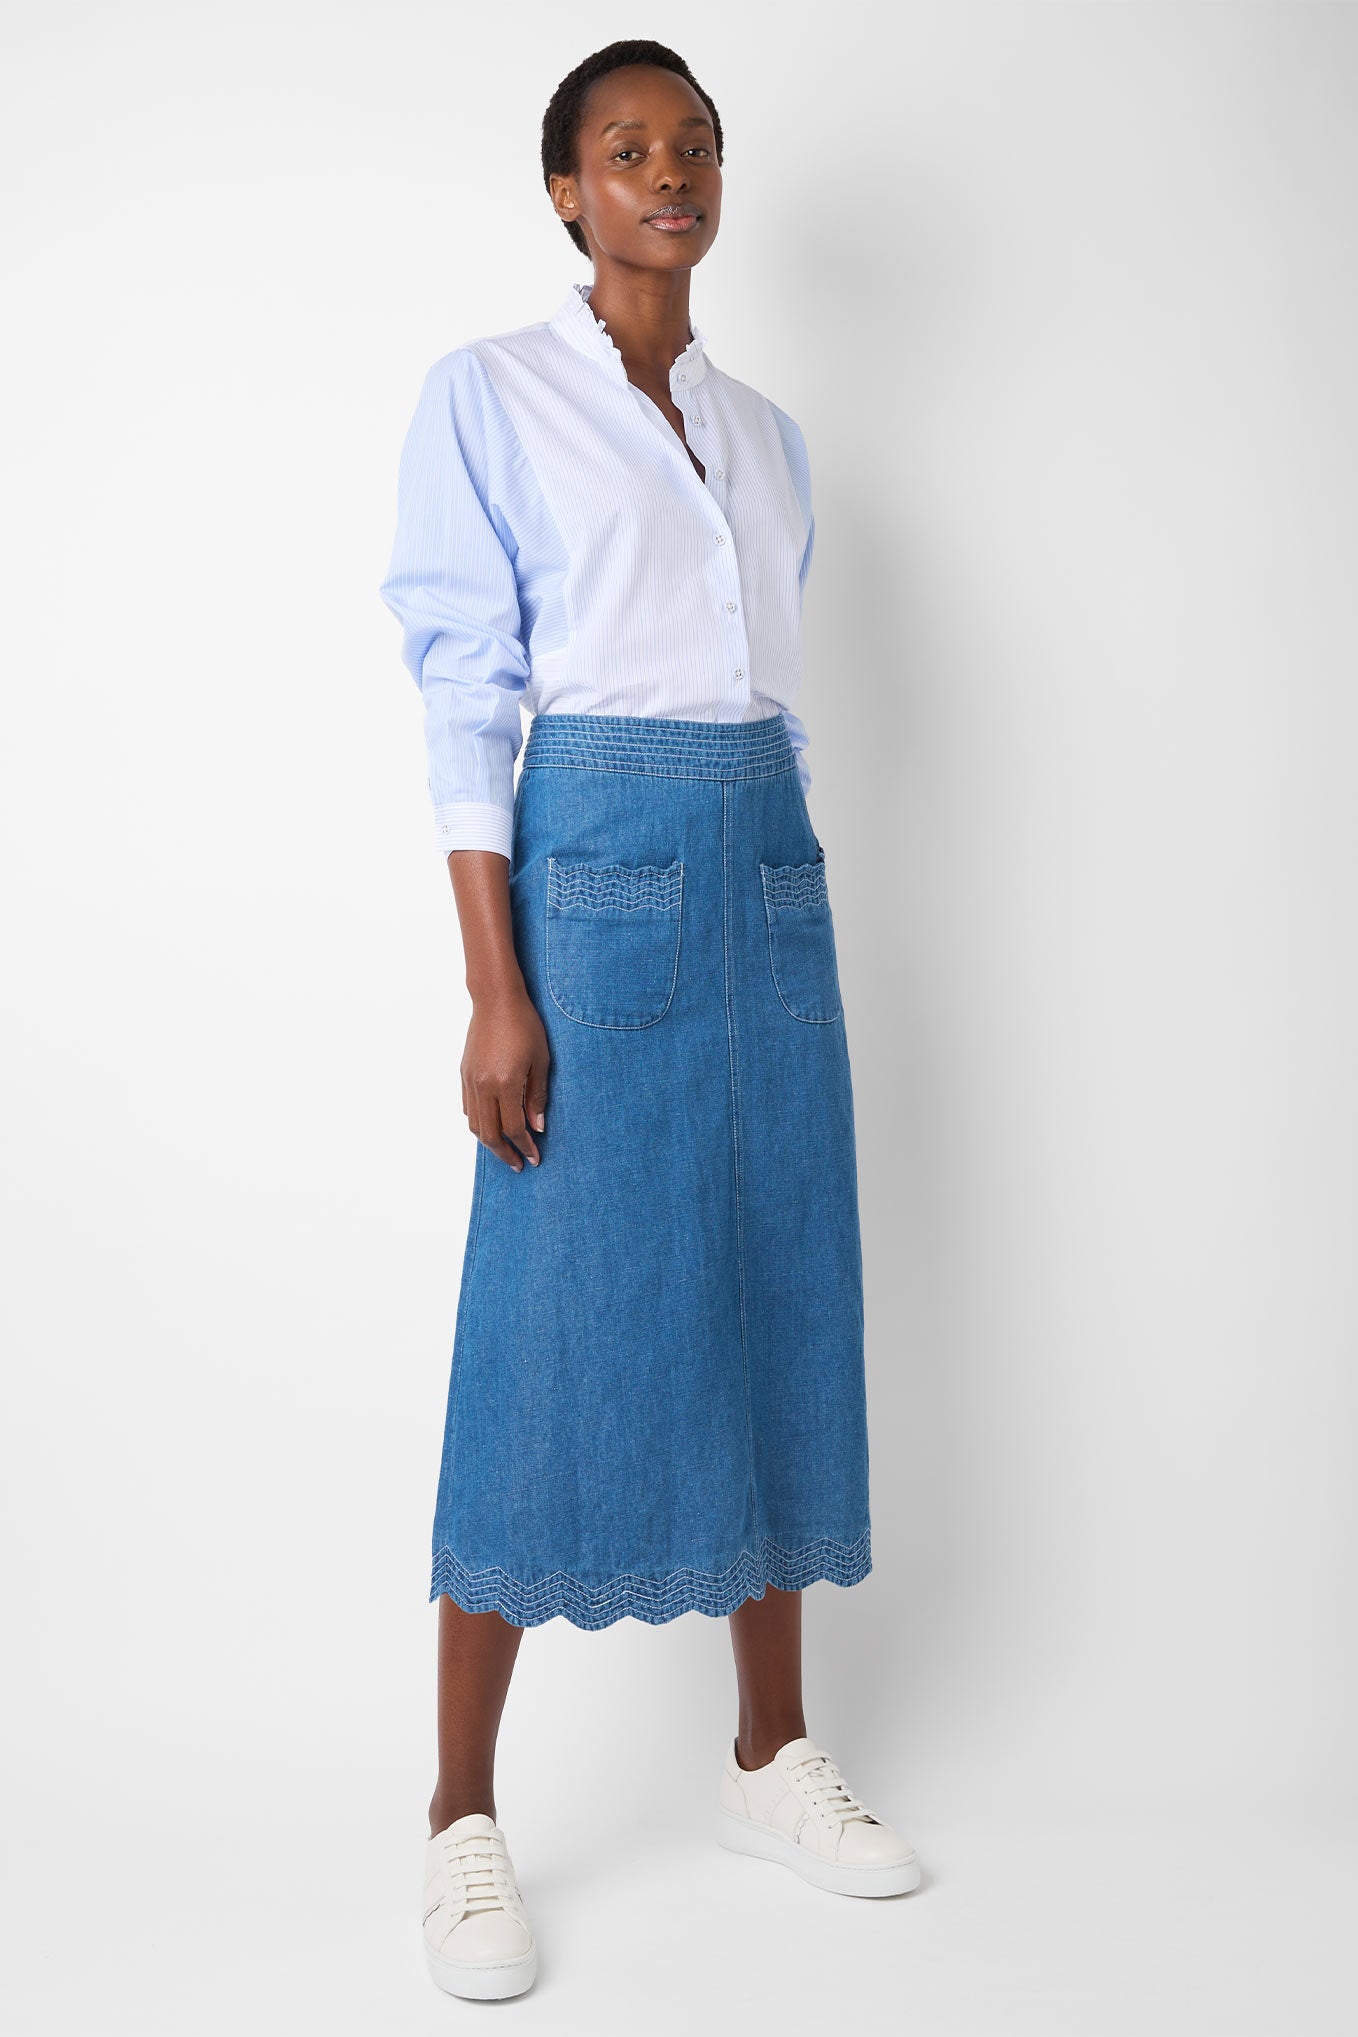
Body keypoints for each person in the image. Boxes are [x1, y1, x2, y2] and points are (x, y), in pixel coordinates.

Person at [378, 38, 920, 2003]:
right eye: (627, 148)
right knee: (549, 1327)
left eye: (694, 146)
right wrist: (493, 981)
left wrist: (764, 850)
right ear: (566, 190)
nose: (669, 173)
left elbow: (761, 680)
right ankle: (457, 1811)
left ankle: (770, 1752)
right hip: (590, 878)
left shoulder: (766, 434)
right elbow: (468, 691)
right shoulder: (489, 393)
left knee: (778, 1284)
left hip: (766, 869)